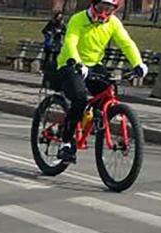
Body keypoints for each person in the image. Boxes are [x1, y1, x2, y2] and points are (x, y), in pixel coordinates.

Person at [54, 0, 147, 163]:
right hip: (70, 64)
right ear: (93, 4)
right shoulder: (78, 19)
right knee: (79, 98)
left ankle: (96, 118)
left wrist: (138, 63)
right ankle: (66, 143)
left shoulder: (114, 23)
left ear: (114, 9)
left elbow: (126, 43)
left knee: (110, 90)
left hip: (94, 64)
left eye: (108, 9)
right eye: (100, 7)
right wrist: (77, 63)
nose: (103, 13)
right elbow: (70, 42)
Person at [41, 10, 66, 81]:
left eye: (60, 17)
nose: (59, 18)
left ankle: (54, 70)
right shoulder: (51, 23)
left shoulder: (62, 24)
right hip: (50, 42)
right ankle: (44, 70)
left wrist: (60, 32)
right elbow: (44, 31)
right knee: (47, 57)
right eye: (58, 17)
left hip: (57, 42)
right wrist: (48, 32)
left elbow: (65, 32)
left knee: (55, 57)